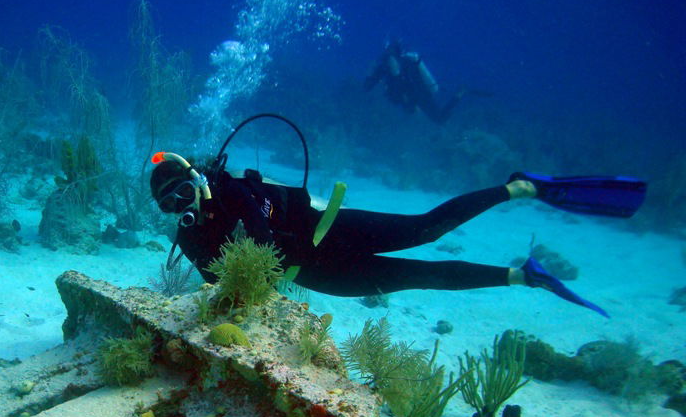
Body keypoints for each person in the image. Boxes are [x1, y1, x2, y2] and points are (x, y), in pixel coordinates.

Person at [149, 149, 647, 318]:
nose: (180, 206)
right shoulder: (190, 239)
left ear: (196, 181)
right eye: (169, 203)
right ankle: (524, 276)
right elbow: (223, 289)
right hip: (319, 273)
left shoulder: (233, 192)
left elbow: (261, 239)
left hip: (325, 230)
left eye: (182, 192)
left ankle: (520, 187)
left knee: (424, 228)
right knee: (423, 278)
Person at [363, 39, 464, 124]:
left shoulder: (400, 65)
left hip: (417, 95)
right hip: (414, 96)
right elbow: (367, 87)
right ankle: (459, 95)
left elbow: (368, 86)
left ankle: (459, 94)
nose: (392, 61)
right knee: (438, 119)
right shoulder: (389, 67)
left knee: (439, 119)